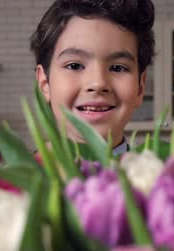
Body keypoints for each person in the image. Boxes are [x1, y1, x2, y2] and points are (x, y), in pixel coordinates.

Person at [30, 0, 155, 154]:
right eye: (74, 66)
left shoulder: (166, 177)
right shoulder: (8, 178)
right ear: (44, 84)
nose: (98, 83)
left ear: (140, 88)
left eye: (117, 68)